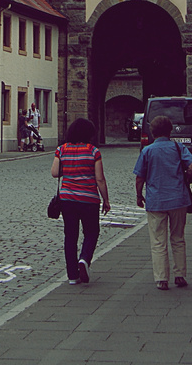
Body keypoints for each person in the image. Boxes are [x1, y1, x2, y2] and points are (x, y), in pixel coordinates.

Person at [134, 115, 192, 290]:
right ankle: (180, 275)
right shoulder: (178, 147)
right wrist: (186, 175)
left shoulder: (147, 151)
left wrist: (139, 196)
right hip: (178, 198)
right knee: (178, 238)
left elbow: (139, 177)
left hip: (156, 200)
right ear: (170, 131)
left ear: (152, 132)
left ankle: (162, 279)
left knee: (158, 241)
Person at [52, 117, 111, 284]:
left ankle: (72, 276)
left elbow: (55, 172)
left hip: (67, 199)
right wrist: (106, 200)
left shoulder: (61, 149)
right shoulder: (93, 151)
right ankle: (84, 259)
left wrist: (70, 167)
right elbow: (100, 179)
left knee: (70, 235)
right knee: (91, 232)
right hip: (89, 199)